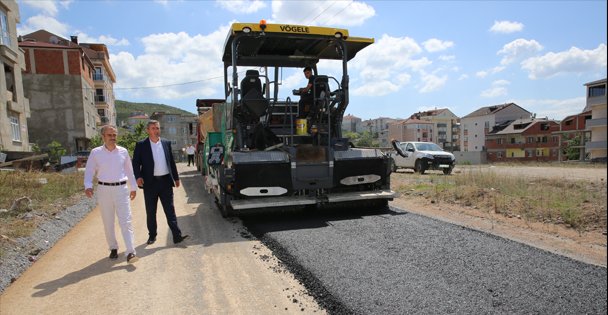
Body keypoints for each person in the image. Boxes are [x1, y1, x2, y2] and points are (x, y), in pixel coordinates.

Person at [84, 125, 139, 263]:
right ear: (103, 137)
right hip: (104, 190)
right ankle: (113, 248)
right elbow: (89, 170)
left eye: (114, 135)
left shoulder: (123, 151)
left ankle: (131, 252)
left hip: (121, 189)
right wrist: (88, 185)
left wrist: (133, 187)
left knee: (126, 221)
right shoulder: (96, 153)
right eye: (110, 135)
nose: (113, 137)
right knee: (108, 221)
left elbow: (129, 170)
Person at [132, 120, 189, 245]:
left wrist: (176, 178)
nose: (155, 130)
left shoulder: (165, 143)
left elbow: (171, 162)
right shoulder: (141, 145)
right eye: (153, 128)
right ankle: (152, 235)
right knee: (151, 211)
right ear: (148, 130)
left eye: (157, 128)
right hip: (150, 183)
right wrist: (138, 177)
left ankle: (176, 236)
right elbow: (135, 163)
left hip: (165, 182)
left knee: (170, 210)